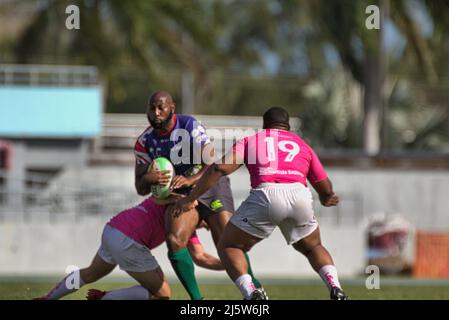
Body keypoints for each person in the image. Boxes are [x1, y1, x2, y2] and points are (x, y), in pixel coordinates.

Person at [173, 106, 348, 300]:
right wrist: (325, 198)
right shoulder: (302, 144)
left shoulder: (252, 140)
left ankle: (251, 294)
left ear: (264, 126)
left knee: (229, 245)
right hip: (300, 196)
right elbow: (325, 187)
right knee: (313, 247)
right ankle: (335, 287)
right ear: (288, 127)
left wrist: (190, 198)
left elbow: (220, 168)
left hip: (266, 194)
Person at [134, 90, 263, 300]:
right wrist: (151, 178)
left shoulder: (189, 125)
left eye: (160, 107)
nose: (155, 113)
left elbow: (212, 161)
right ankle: (197, 301)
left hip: (211, 185)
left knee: (227, 240)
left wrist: (190, 180)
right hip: (179, 195)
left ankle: (254, 288)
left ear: (171, 108)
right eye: (151, 108)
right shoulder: (144, 142)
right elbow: (140, 187)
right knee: (175, 240)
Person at [35, 194, 223, 300]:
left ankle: (48, 298)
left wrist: (229, 264)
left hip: (113, 229)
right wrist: (183, 198)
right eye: (208, 222)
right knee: (162, 294)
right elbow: (162, 196)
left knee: (90, 273)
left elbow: (201, 257)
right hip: (129, 239)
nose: (207, 226)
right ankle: (105, 298)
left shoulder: (186, 229)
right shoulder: (181, 203)